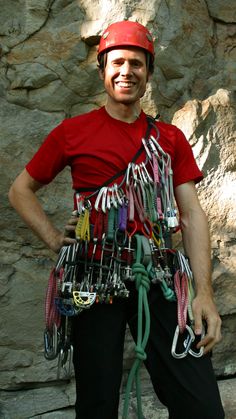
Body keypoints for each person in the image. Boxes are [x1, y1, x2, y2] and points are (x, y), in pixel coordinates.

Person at [9, 20, 224, 419]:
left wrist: (203, 293)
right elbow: (20, 190)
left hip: (159, 275)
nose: (127, 71)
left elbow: (192, 215)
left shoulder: (169, 139)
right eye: (118, 62)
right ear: (103, 69)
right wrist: (55, 239)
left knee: (202, 405)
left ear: (149, 73)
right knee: (97, 404)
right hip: (93, 276)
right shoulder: (71, 133)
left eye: (137, 64)